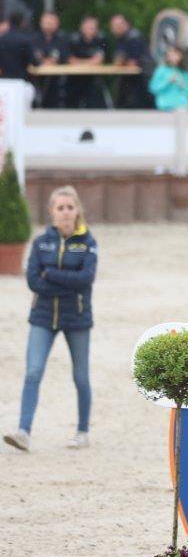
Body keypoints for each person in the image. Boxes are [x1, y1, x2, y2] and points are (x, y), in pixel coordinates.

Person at [4, 187, 97, 452]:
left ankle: (82, 432)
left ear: (77, 210)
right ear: (52, 212)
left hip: (77, 318)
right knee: (33, 372)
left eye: (70, 207)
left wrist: (52, 274)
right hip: (43, 317)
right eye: (60, 208)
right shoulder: (40, 243)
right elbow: (34, 281)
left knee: (80, 376)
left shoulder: (88, 242)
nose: (65, 212)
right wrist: (67, 282)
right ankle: (23, 431)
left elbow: (85, 279)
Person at [110, 14, 151, 108]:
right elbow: (118, 61)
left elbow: (133, 63)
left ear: (126, 24)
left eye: (118, 25)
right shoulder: (122, 38)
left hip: (142, 80)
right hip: (131, 80)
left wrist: (122, 62)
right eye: (114, 26)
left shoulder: (134, 37)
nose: (116, 28)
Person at [66, 16, 107, 109]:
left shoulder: (101, 39)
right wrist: (89, 62)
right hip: (75, 78)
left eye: (93, 27)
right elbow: (70, 60)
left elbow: (98, 60)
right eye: (88, 26)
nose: (90, 29)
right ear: (81, 27)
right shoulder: (74, 39)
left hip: (93, 78)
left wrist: (79, 62)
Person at [32, 11, 69, 107]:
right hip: (37, 79)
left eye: (51, 23)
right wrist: (43, 61)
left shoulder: (63, 39)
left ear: (57, 24)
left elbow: (65, 57)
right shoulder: (33, 38)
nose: (49, 26)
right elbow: (31, 56)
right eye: (46, 22)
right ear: (41, 23)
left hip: (56, 80)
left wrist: (53, 61)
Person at [149, 46, 188, 111]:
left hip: (183, 105)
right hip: (165, 104)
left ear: (181, 56)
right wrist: (167, 81)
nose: (173, 57)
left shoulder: (186, 72)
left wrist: (183, 85)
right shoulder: (161, 70)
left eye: (175, 54)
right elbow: (153, 89)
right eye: (170, 54)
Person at [0, 13, 33, 80]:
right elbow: (34, 62)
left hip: (2, 81)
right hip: (20, 81)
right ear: (23, 23)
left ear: (8, 23)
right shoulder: (25, 40)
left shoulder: (1, 39)